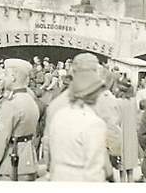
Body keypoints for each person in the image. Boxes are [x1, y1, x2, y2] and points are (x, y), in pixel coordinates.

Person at [48, 53, 112, 181]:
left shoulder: (58, 108)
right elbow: (95, 168)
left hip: (58, 175)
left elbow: (49, 147)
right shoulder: (95, 119)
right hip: (83, 176)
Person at [0, 59, 40, 181]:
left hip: (10, 166)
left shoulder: (11, 104)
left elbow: (0, 140)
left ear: (13, 77)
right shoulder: (30, 100)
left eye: (7, 75)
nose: (5, 78)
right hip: (28, 163)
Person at [114, 76, 139, 182]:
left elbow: (116, 120)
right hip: (131, 134)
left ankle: (123, 183)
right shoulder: (133, 101)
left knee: (122, 164)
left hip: (122, 134)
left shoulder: (118, 102)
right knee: (130, 164)